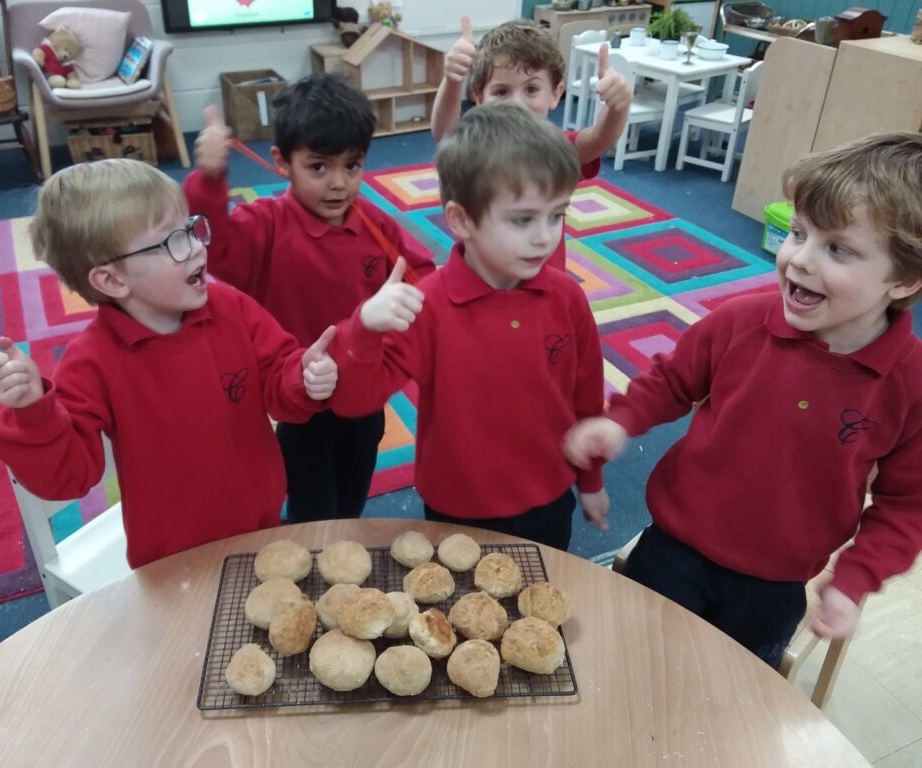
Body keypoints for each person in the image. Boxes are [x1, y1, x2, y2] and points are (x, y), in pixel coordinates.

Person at [564, 132, 922, 666]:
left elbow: (906, 504)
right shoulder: (740, 321)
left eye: (837, 248)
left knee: (727, 694)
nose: (799, 259)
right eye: (797, 233)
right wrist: (623, 421)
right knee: (631, 664)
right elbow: (672, 380)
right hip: (673, 548)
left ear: (904, 279)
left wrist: (855, 578)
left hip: (774, 583)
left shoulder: (908, 382)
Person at [0, 159, 338, 569]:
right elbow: (69, 477)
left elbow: (281, 379)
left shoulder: (232, 308)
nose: (195, 246)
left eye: (190, 228)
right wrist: (32, 411)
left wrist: (305, 375)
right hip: (170, 562)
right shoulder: (92, 362)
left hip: (261, 524)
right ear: (112, 281)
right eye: (171, 241)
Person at [328, 102, 609, 551]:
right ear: (461, 220)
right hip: (457, 508)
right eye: (522, 219)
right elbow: (354, 400)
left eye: (557, 214)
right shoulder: (428, 304)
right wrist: (364, 327)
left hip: (549, 497)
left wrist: (590, 481)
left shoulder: (568, 297)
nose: (545, 236)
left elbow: (586, 396)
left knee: (540, 610)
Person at [184, 73, 437, 524]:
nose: (339, 184)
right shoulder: (265, 225)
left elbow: (423, 280)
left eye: (353, 165)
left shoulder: (374, 223)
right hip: (300, 399)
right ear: (282, 162)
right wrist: (209, 179)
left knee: (354, 491)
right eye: (319, 167)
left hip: (364, 394)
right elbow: (214, 245)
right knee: (312, 513)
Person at [430, 17, 632, 272]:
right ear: (480, 97)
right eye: (502, 92)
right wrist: (452, 80)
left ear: (556, 94)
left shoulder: (553, 150)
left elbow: (599, 138)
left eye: (532, 89)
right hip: (483, 277)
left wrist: (617, 105)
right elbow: (443, 132)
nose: (517, 104)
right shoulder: (475, 148)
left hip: (543, 283)